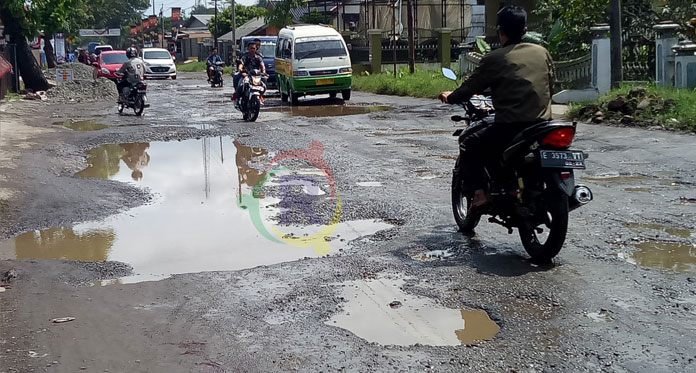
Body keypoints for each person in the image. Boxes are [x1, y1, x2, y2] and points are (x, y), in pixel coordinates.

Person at [438, 5, 553, 210]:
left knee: (469, 143)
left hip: (512, 126)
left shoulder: (496, 57)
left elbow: (470, 88)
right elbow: (550, 84)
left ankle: (480, 194)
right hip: (543, 124)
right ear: (525, 31)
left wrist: (450, 97)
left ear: (501, 32)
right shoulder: (542, 52)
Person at [232, 42, 265, 107]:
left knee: (264, 86)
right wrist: (240, 69)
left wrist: (263, 72)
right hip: (246, 75)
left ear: (256, 49)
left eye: (254, 48)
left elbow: (262, 65)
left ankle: (260, 96)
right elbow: (241, 64)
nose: (252, 50)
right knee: (240, 85)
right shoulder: (245, 57)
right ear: (248, 49)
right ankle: (237, 99)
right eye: (251, 48)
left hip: (255, 76)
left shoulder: (258, 58)